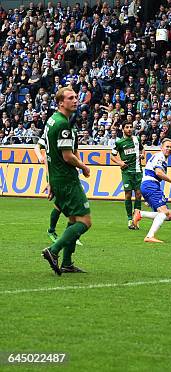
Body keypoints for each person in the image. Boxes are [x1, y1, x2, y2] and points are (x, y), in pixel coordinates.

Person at [41, 87, 92, 275]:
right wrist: (84, 167)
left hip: (57, 178)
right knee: (85, 221)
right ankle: (53, 251)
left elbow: (49, 154)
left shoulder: (51, 121)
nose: (75, 100)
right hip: (67, 179)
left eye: (76, 97)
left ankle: (68, 263)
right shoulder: (62, 124)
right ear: (61, 102)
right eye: (70, 98)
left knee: (73, 219)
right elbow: (67, 156)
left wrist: (50, 180)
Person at [34, 124, 83, 246]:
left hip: (69, 172)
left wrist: (80, 165)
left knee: (70, 203)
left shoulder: (73, 133)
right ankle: (55, 232)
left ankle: (68, 235)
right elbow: (37, 147)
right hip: (55, 173)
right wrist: (40, 157)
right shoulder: (52, 132)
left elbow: (75, 151)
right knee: (62, 204)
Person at [133, 138, 171, 243]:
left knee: (169, 215)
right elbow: (158, 173)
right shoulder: (159, 157)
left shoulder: (160, 158)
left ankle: (140, 214)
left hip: (151, 185)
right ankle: (149, 236)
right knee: (164, 213)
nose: (169, 149)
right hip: (150, 185)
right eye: (167, 147)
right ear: (161, 147)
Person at [111, 122, 143, 229]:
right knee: (128, 195)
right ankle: (129, 219)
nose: (129, 129)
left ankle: (136, 219)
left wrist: (142, 154)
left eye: (130, 127)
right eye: (127, 127)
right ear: (123, 129)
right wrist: (120, 163)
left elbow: (142, 149)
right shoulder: (119, 142)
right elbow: (112, 156)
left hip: (138, 171)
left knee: (138, 194)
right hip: (127, 172)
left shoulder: (137, 139)